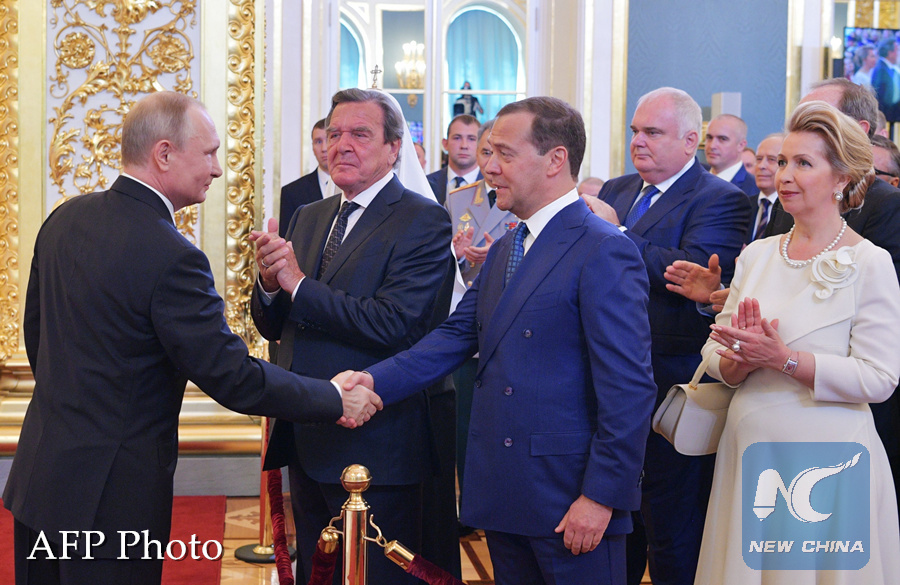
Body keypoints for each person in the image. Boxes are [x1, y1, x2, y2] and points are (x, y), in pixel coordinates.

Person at [3, 91, 382, 585]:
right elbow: (233, 377)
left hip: (39, 478)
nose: (217, 169)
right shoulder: (173, 255)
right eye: (209, 153)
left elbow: (37, 339)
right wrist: (332, 397)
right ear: (164, 154)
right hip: (112, 496)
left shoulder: (64, 218)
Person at [344, 96, 657, 585]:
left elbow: (629, 389)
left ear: (555, 160)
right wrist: (372, 381)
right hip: (505, 492)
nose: (489, 167)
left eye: (504, 154)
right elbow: (454, 336)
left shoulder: (603, 248)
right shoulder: (508, 246)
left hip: (570, 498)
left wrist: (601, 496)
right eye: (488, 153)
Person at [250, 88, 453, 585]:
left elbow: (393, 323)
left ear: (393, 148)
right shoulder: (309, 215)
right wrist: (270, 285)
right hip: (306, 431)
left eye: (360, 134)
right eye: (334, 133)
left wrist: (298, 284)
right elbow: (278, 327)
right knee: (316, 573)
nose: (341, 145)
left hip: (376, 439)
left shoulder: (424, 220)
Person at [694, 100, 900, 583]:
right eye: (783, 161)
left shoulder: (870, 262)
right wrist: (739, 361)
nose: (784, 175)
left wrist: (784, 359)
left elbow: (879, 377)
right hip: (751, 448)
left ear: (841, 177)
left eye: (803, 163)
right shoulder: (757, 255)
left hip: (829, 458)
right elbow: (715, 349)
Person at [586, 87, 753, 585]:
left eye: (652, 132)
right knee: (614, 528)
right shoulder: (616, 190)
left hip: (672, 386)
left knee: (672, 535)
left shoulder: (721, 198)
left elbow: (689, 272)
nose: (638, 141)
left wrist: (615, 234)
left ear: (689, 140)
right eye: (635, 131)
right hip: (603, 382)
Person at [279, 118, 331, 236]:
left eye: (328, 139)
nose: (324, 148)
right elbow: (287, 240)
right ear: (312, 147)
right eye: (318, 141)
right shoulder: (292, 192)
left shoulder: (355, 186)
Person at [427, 114, 482, 204]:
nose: (464, 145)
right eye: (457, 138)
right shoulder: (426, 184)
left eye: (471, 139)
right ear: (445, 144)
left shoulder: (493, 186)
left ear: (481, 145)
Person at [704, 114, 758, 195]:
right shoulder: (694, 182)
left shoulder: (754, 190)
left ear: (741, 145)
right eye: (709, 137)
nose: (712, 146)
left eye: (722, 139)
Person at [746, 134, 783, 243]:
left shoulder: (793, 212)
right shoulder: (744, 205)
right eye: (759, 159)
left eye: (771, 159)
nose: (761, 166)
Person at [871, 38, 900, 121]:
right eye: (897, 50)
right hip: (886, 114)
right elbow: (880, 95)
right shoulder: (881, 69)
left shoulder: (890, 69)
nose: (898, 54)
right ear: (890, 53)